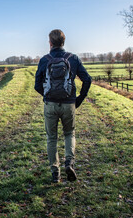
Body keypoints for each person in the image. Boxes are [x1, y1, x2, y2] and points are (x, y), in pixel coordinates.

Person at [34, 29, 92, 183]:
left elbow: (37, 85)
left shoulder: (44, 60)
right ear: (63, 42)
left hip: (50, 105)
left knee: (51, 138)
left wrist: (47, 96)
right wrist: (79, 99)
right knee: (69, 134)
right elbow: (87, 79)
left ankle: (55, 173)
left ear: (50, 43)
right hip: (69, 104)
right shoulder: (73, 58)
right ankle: (69, 163)